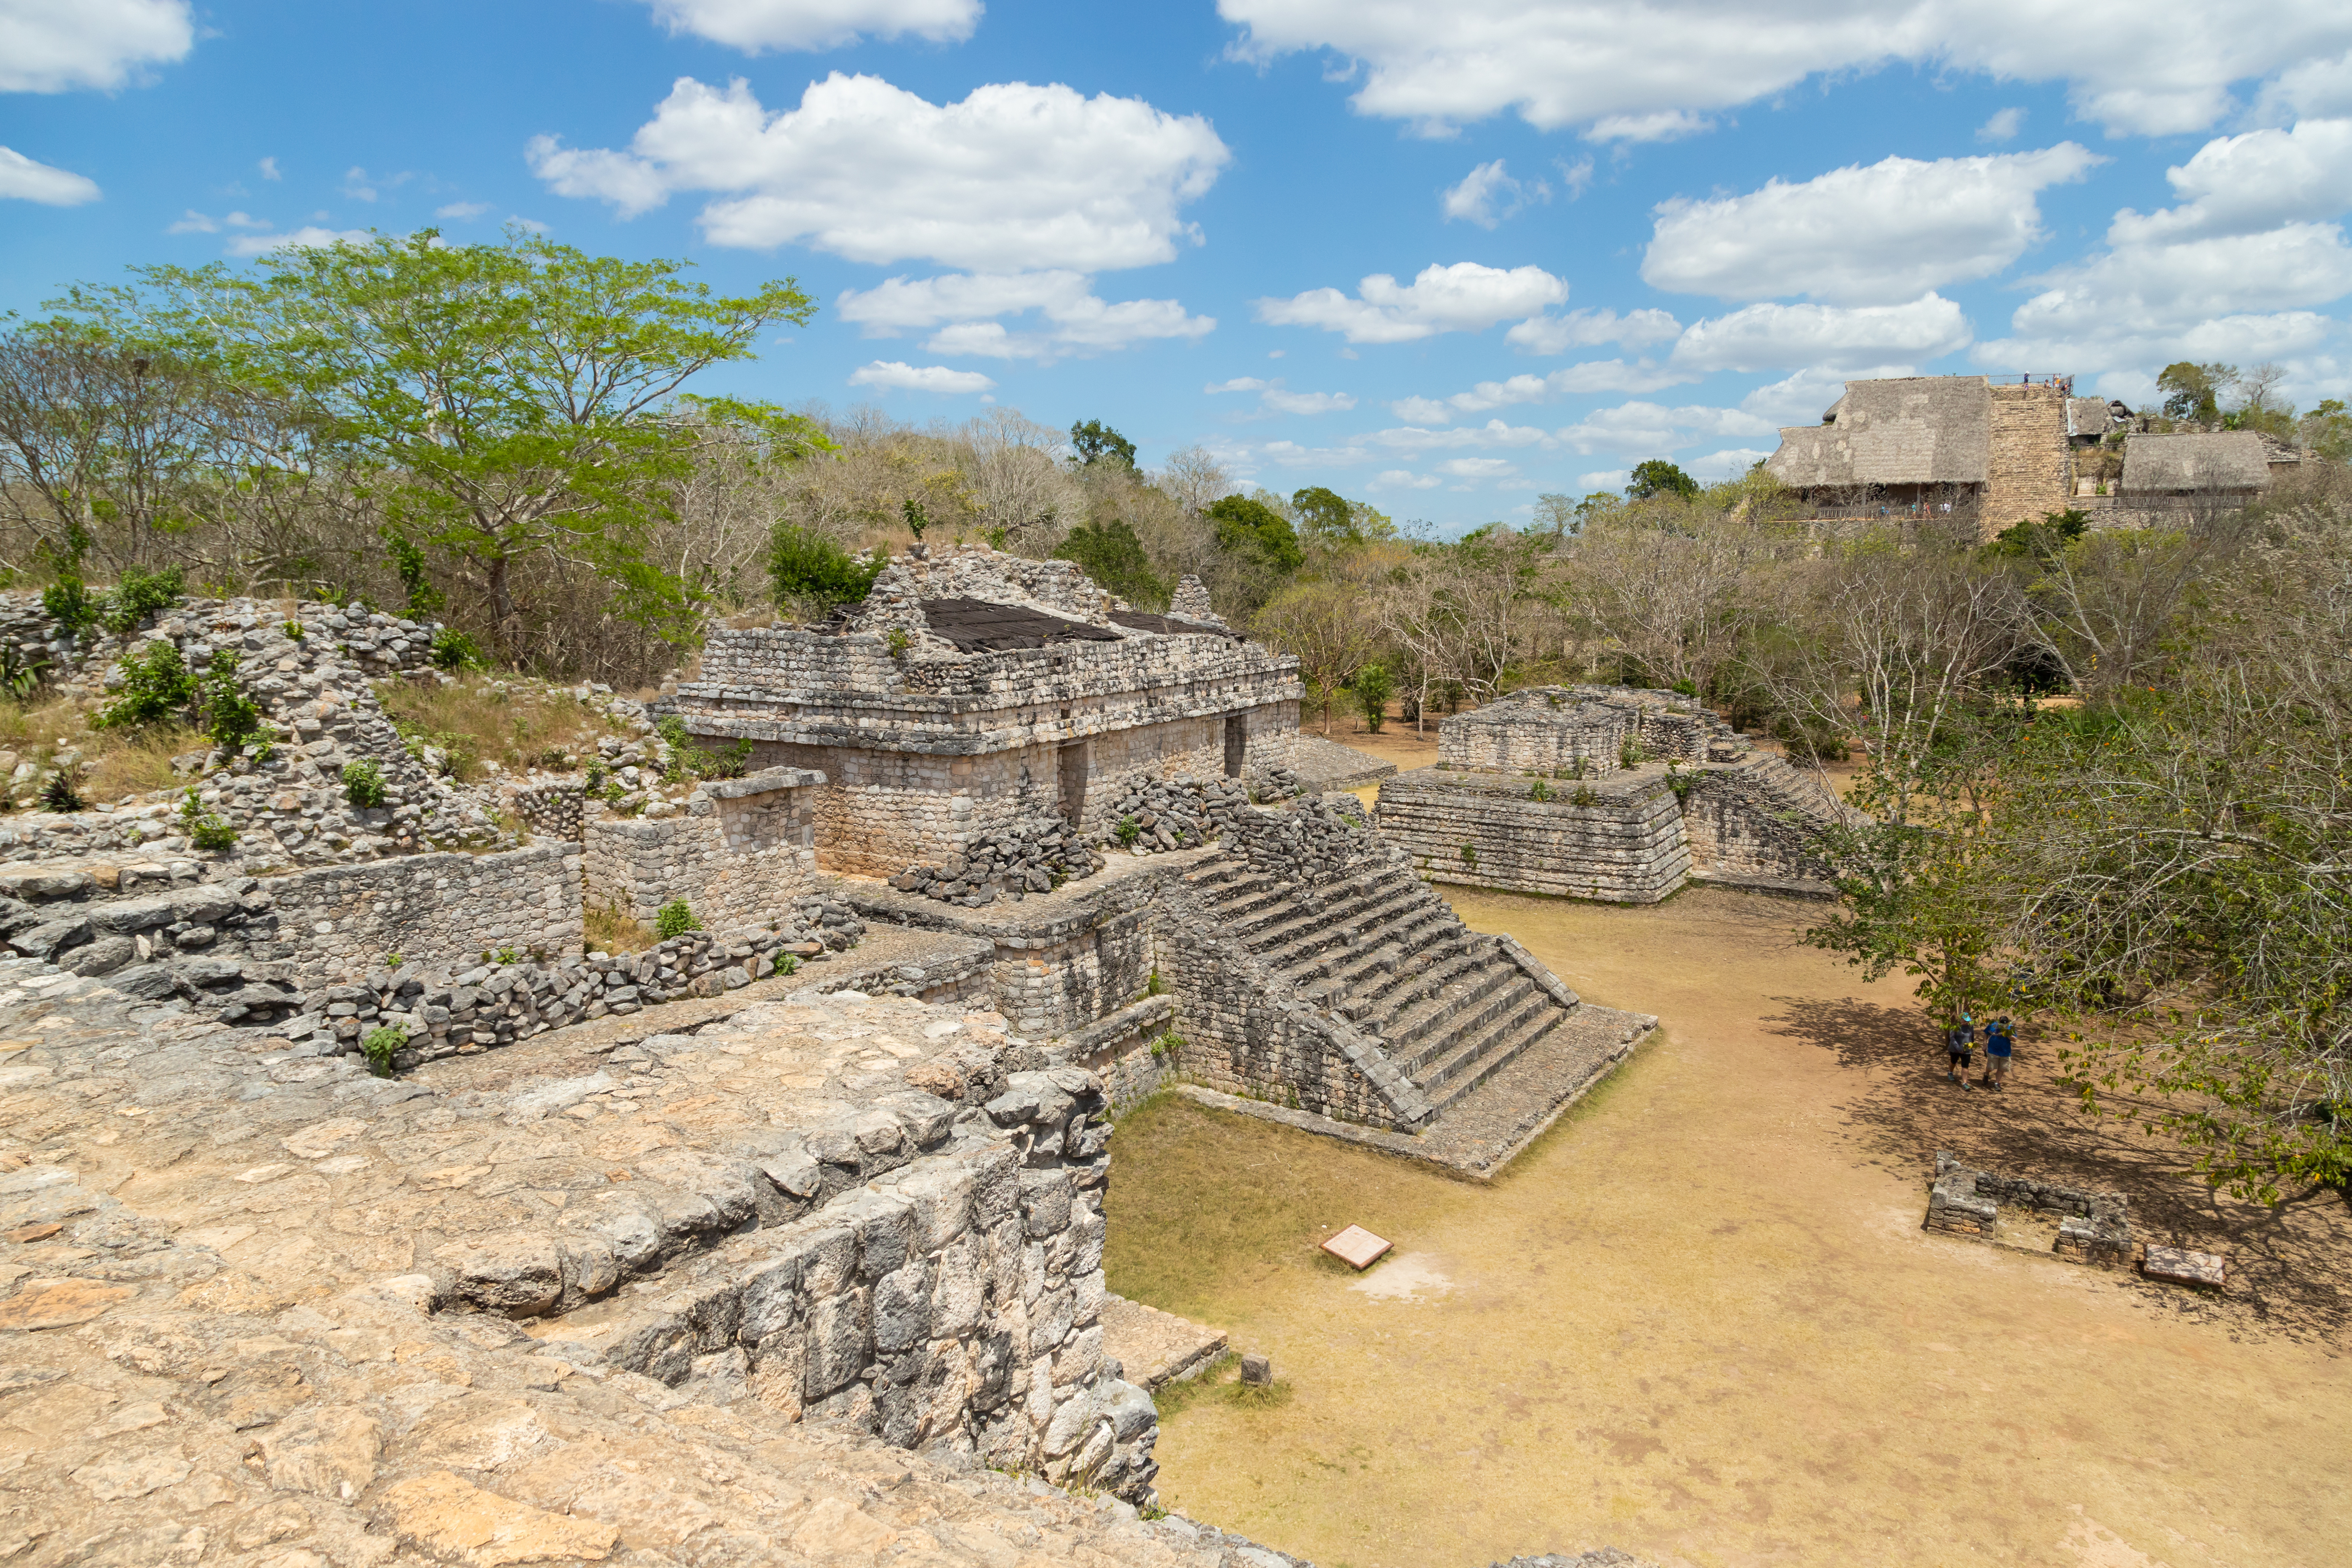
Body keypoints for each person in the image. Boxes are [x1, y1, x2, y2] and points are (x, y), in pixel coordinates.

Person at [1983, 1017, 2014, 1090]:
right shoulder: (1992, 1025)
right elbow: (1986, 1033)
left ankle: (1997, 1083)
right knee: (1991, 1067)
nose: (2003, 1026)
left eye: (2005, 1024)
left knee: (2002, 1068)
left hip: (2005, 1052)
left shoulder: (2011, 1028)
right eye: (2001, 1024)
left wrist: (2008, 1034)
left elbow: (2015, 1039)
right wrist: (1985, 1044)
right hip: (1993, 1050)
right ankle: (1987, 1074)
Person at [1945, 1016, 1975, 1088]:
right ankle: (1951, 1073)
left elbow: (1972, 1037)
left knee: (1965, 1066)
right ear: (1961, 1020)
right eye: (1966, 1021)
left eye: (1968, 1021)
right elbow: (1952, 1038)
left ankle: (1965, 1083)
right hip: (1955, 1049)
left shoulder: (1971, 1027)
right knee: (1953, 1061)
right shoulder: (1955, 1027)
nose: (1967, 1023)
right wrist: (1959, 1048)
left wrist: (1972, 1046)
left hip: (1967, 1050)